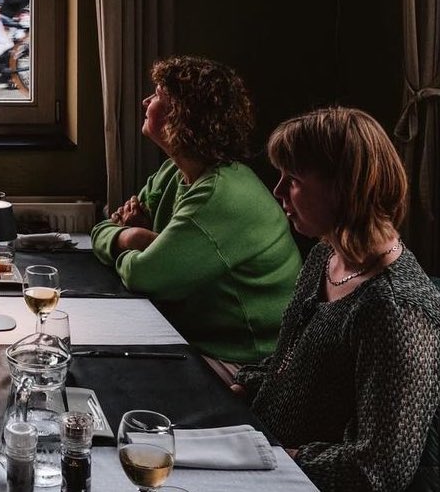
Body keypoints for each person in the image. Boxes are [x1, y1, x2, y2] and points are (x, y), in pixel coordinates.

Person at [232, 107, 440, 491]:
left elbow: (379, 469)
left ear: (345, 187)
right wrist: (244, 385)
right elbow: (294, 370)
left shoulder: (398, 311)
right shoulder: (327, 255)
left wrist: (287, 460)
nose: (278, 191)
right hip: (260, 451)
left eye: (295, 179)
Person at [91, 55, 302, 367]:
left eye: (158, 96)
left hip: (247, 362)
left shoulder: (221, 195)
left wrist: (131, 236)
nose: (145, 101)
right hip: (189, 337)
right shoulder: (173, 173)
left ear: (181, 116)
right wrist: (140, 240)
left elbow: (145, 275)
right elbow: (100, 229)